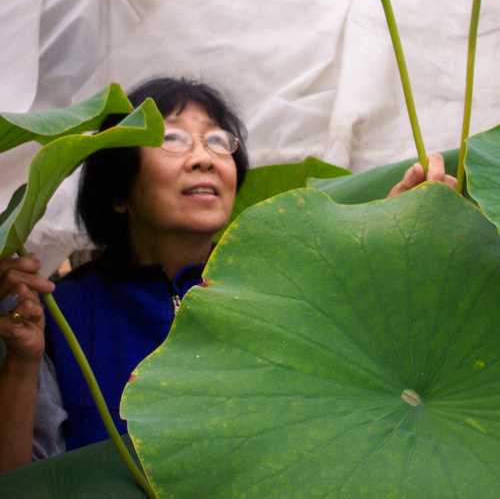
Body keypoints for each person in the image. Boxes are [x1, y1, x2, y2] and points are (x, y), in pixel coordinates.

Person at [0, 76, 456, 472]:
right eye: (173, 139)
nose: (205, 157)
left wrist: (399, 232)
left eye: (218, 140)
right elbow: (23, 479)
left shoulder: (280, 288)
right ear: (118, 190)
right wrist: (22, 360)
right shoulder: (52, 314)